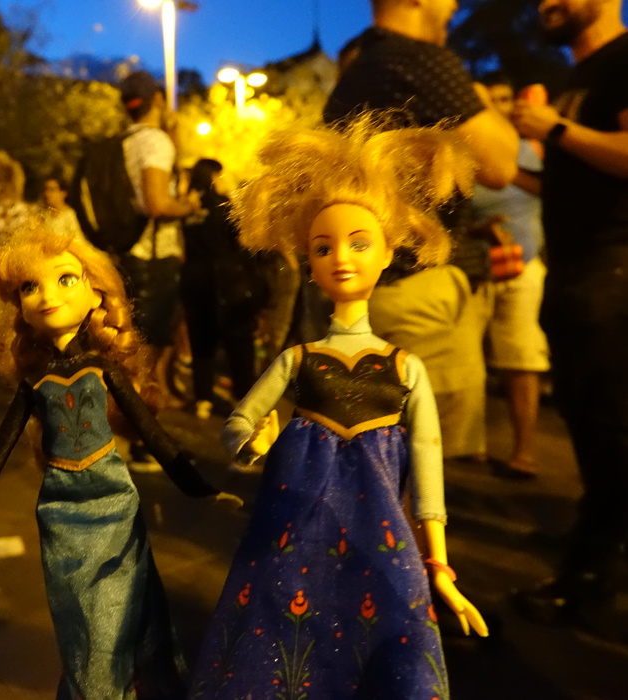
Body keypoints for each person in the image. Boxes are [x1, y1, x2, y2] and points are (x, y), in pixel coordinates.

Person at [189, 117, 488, 700]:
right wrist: (255, 442)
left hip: (383, 543)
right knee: (280, 649)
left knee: (383, 653)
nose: (341, 259)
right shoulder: (298, 360)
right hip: (290, 533)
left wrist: (440, 568)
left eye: (359, 243)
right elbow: (238, 425)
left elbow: (428, 469)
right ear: (308, 258)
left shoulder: (404, 367)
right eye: (323, 247)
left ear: (388, 252)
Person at [0, 225, 241, 699]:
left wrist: (202, 488)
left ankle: (122, 686)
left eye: (65, 279)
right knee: (81, 618)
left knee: (121, 610)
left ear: (95, 293)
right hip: (60, 512)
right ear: (19, 307)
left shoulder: (103, 370)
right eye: (30, 287)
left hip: (114, 503)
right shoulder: (35, 384)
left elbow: (155, 437)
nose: (48, 296)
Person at [324, 0, 519, 461]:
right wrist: (478, 98)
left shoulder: (359, 70)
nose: (453, 7)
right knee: (420, 462)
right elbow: (501, 164)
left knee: (381, 456)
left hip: (372, 288)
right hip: (416, 291)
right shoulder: (418, 59)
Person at [510, 0, 628, 632]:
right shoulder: (577, 78)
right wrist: (511, 171)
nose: (545, 4)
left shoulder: (624, 58)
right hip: (577, 276)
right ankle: (592, 561)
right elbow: (571, 176)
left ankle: (591, 580)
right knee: (592, 429)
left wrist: (553, 128)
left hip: (614, 274)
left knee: (613, 432)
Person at [117, 70, 201, 470]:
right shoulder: (154, 142)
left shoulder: (126, 142)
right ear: (157, 100)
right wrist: (189, 206)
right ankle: (140, 441)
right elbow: (157, 203)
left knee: (143, 349)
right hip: (153, 257)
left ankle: (144, 433)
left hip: (131, 252)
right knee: (149, 354)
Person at [470, 72, 550, 479]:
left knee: (520, 359)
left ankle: (525, 452)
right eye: (488, 101)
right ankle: (471, 446)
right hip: (474, 271)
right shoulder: (462, 151)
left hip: (523, 267)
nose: (498, 107)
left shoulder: (529, 148)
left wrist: (504, 166)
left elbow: (552, 191)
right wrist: (478, 229)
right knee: (469, 364)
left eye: (503, 99)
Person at [180, 158, 261, 420]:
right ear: (214, 176)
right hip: (226, 280)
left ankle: (202, 398)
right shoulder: (223, 205)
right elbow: (243, 237)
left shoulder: (187, 206)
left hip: (194, 277)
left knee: (201, 340)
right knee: (238, 341)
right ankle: (244, 396)